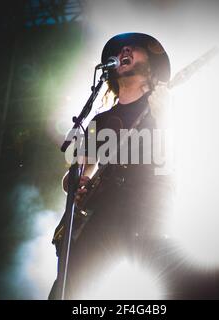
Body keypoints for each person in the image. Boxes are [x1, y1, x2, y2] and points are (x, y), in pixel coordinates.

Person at [50, 33, 174, 299]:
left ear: (151, 66)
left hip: (139, 220)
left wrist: (163, 118)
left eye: (135, 48)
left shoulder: (164, 108)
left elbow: (169, 165)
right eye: (121, 49)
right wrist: (76, 181)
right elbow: (80, 171)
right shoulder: (100, 120)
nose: (125, 49)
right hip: (95, 223)